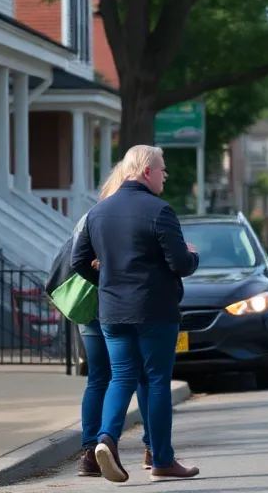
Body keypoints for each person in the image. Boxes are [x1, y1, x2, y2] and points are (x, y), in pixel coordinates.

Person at [72, 145, 200, 483]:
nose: (165, 176)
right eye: (162, 170)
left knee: (121, 377)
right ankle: (162, 459)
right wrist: (192, 255)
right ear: (146, 171)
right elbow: (180, 264)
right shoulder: (159, 210)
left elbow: (78, 261)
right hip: (154, 309)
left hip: (112, 310)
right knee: (157, 380)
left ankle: (105, 439)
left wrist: (109, 280)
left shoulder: (98, 212)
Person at [65, 163, 152, 477]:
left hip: (93, 308)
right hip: (125, 307)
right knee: (140, 375)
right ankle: (152, 447)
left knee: (99, 378)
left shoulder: (92, 216)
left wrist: (99, 272)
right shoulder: (136, 215)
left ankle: (90, 453)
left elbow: (77, 260)